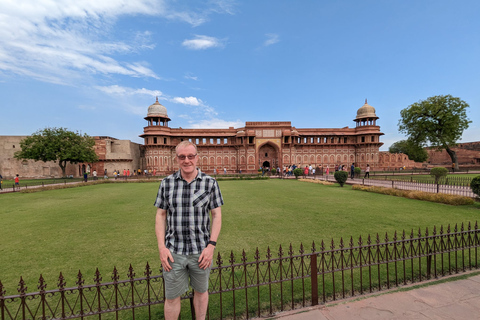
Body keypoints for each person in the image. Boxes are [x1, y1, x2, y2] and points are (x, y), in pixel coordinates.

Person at [154, 141, 223, 320]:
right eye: (182, 157)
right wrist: (161, 247)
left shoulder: (210, 183)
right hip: (173, 251)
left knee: (201, 292)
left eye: (190, 156)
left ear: (197, 158)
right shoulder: (167, 184)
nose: (186, 160)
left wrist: (211, 246)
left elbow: (217, 215)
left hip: (201, 251)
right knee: (171, 297)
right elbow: (160, 216)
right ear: (176, 159)